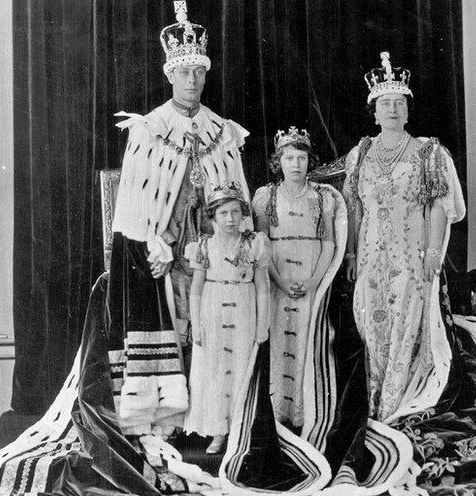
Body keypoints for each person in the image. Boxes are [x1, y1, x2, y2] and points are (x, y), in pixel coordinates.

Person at [108, 1, 252, 438]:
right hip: (165, 249)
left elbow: (238, 198)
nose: (192, 81)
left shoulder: (221, 130)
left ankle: (213, 417)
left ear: (206, 75)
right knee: (176, 324)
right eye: (184, 73)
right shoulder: (148, 129)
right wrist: (154, 246)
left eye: (199, 73)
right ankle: (169, 414)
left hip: (212, 247)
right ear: (170, 74)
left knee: (211, 327)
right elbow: (132, 206)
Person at [342, 51, 466, 422]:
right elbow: (353, 210)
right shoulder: (361, 153)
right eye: (385, 103)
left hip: (411, 256)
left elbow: (439, 206)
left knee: (406, 323)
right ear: (374, 111)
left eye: (398, 103)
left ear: (408, 111)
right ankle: (378, 403)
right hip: (369, 257)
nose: (392, 109)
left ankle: (398, 410)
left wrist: (432, 253)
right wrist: (350, 256)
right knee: (371, 322)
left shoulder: (428, 152)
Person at [252, 127, 340, 429]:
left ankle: (306, 412)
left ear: (308, 160)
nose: (295, 165)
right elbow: (262, 243)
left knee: (307, 340)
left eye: (301, 158)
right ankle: (279, 412)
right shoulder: (267, 196)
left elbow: (328, 242)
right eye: (288, 158)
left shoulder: (322, 197)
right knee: (279, 339)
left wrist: (316, 279)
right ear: (279, 162)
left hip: (310, 276)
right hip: (279, 279)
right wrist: (279, 280)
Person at [183, 182, 270, 453]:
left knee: (241, 368)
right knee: (215, 371)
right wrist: (196, 324)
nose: (230, 219)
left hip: (244, 311)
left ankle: (239, 428)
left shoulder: (254, 244)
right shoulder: (204, 246)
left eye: (235, 212)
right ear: (213, 217)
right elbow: (196, 290)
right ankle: (218, 431)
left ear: (243, 214)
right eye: (223, 214)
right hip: (213, 310)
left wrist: (262, 325)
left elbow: (263, 288)